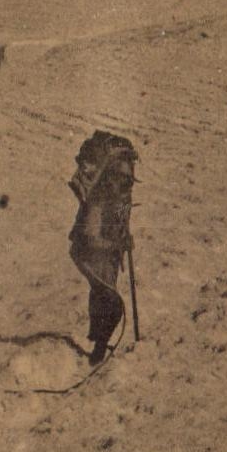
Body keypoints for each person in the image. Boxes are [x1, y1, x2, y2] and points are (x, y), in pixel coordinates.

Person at [68, 132, 136, 366]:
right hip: (89, 257)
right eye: (122, 176)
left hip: (105, 259)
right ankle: (98, 350)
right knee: (114, 305)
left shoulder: (120, 198)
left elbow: (120, 224)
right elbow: (89, 238)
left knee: (102, 297)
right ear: (111, 175)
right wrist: (117, 244)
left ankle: (97, 343)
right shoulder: (98, 201)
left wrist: (126, 238)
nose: (127, 181)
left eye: (129, 177)